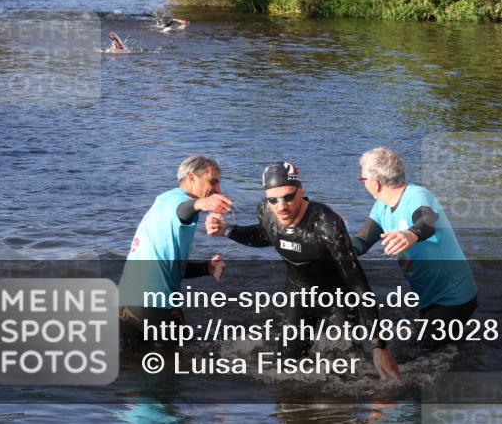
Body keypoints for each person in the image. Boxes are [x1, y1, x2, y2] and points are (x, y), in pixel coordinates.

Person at [205, 161, 400, 380]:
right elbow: (266, 235)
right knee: (286, 367)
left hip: (337, 299)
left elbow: (359, 285)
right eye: (273, 200)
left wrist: (379, 346)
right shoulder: (265, 211)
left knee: (346, 373)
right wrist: (227, 230)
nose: (281, 206)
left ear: (301, 192)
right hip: (297, 293)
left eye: (288, 197)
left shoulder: (327, 225)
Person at [352, 147, 478, 348]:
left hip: (453, 297)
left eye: (362, 180)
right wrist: (331, 239)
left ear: (375, 183)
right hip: (429, 298)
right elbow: (361, 243)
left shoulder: (417, 195)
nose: (363, 184)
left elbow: (427, 220)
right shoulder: (381, 206)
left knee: (422, 358)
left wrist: (411, 234)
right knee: (437, 350)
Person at [118, 156, 233, 344]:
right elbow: (183, 210)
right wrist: (200, 204)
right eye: (213, 181)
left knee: (136, 365)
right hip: (155, 306)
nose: (218, 189)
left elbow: (169, 267)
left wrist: (206, 268)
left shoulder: (163, 201)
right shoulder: (180, 203)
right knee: (185, 364)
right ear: (192, 178)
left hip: (125, 305)